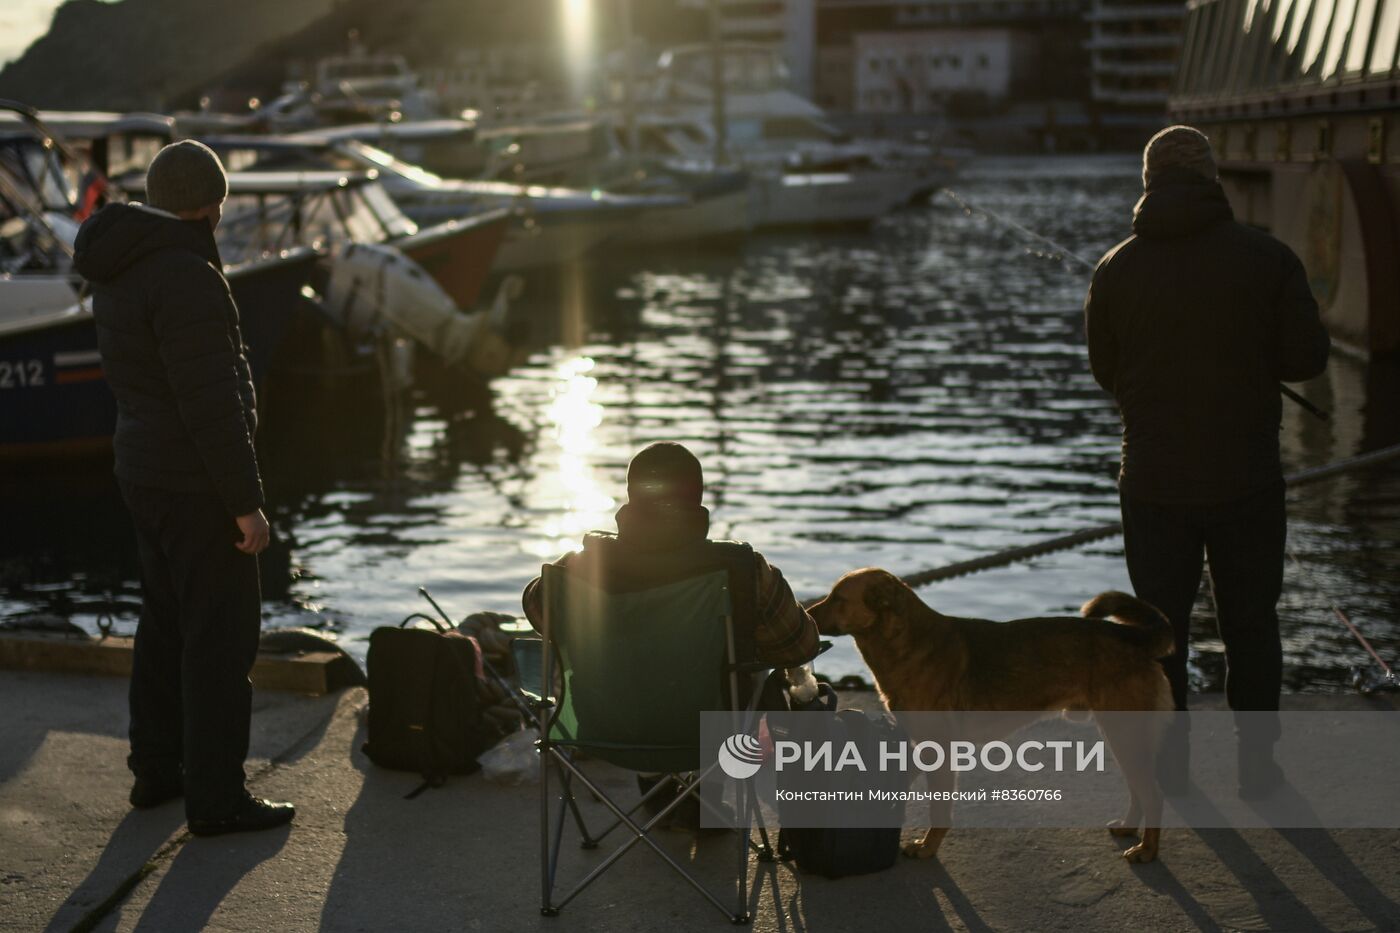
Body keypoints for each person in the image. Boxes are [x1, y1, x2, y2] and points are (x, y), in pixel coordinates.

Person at [1084, 125, 1330, 795]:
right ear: (1214, 178)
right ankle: (1257, 770)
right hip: (1246, 479)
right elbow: (1308, 358)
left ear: (1148, 182)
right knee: (1252, 622)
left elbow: (1108, 373)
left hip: (1153, 482)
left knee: (1159, 629)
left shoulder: (1115, 269)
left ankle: (1172, 771)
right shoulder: (1269, 258)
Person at [74, 140, 294, 835]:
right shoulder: (188, 276)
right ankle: (219, 799)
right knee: (220, 641)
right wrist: (246, 504)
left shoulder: (122, 263)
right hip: (195, 483)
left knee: (165, 628)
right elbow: (211, 404)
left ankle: (156, 771)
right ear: (210, 207)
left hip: (141, 469)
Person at [522, 442, 820, 670]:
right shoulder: (744, 570)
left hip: (604, 731)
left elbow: (538, 612)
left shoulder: (580, 565)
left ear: (631, 496)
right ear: (697, 497)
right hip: (712, 734)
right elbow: (799, 649)